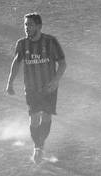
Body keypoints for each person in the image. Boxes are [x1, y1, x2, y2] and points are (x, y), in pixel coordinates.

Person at [6, 13, 66, 163]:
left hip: (49, 88)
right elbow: (16, 63)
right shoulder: (21, 44)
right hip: (32, 88)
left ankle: (40, 146)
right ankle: (38, 147)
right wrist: (10, 83)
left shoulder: (51, 42)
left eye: (30, 25)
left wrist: (55, 81)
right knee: (34, 119)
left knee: (46, 116)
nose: (27, 28)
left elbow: (63, 63)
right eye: (25, 24)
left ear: (39, 26)